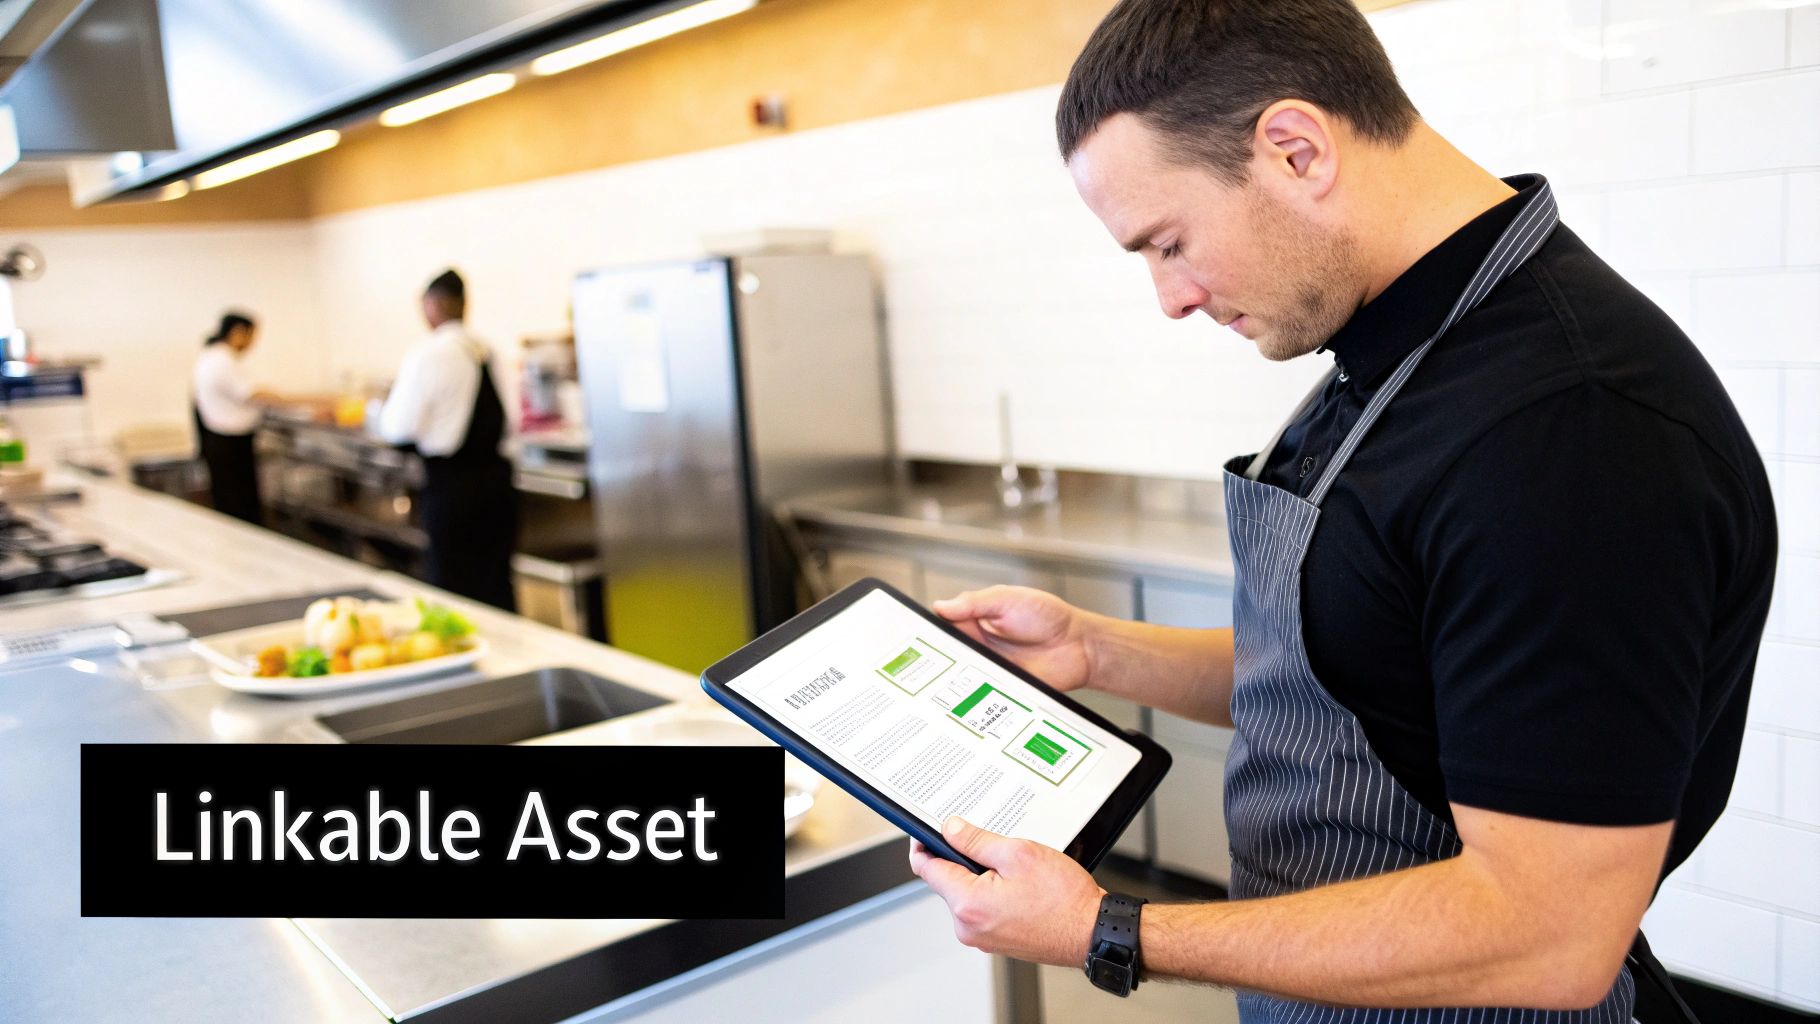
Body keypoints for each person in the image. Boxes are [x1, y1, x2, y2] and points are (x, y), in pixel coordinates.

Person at [906, 2, 1775, 1021]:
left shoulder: (1563, 431)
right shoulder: (1392, 350)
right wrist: (1093, 651)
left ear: (1293, 149)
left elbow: (1547, 933)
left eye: (1169, 242)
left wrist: (1108, 928)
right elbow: (1355, 668)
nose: (1169, 298)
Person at [374, 270, 518, 611]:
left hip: (453, 485)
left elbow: (396, 427)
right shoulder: (490, 350)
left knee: (454, 586)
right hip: (499, 482)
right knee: (496, 580)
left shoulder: (431, 353)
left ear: (432, 305)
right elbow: (514, 420)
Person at [191, 311, 326, 525]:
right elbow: (259, 396)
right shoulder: (222, 362)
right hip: (228, 443)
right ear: (238, 333)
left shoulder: (210, 357)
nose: (253, 343)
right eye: (252, 336)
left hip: (220, 440)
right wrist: (311, 407)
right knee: (238, 505)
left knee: (230, 500)